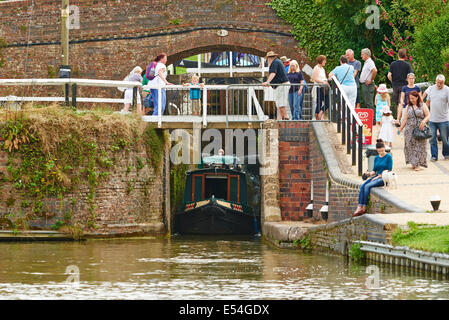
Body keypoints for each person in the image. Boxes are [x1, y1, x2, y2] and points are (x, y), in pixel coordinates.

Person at [353, 139, 392, 217]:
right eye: (379, 151)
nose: (381, 153)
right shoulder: (376, 158)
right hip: (376, 176)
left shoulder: (388, 156)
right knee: (363, 186)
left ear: (384, 148)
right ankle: (359, 206)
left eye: (382, 150)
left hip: (384, 177)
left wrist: (379, 176)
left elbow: (389, 169)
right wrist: (368, 174)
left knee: (368, 186)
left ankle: (364, 207)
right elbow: (374, 171)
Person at [399, 91, 430, 171]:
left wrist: (424, 121)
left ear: (417, 97)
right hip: (409, 129)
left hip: (420, 129)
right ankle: (414, 163)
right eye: (410, 98)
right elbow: (405, 119)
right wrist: (400, 128)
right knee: (410, 146)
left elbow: (428, 115)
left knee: (420, 146)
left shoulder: (422, 105)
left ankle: (418, 164)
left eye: (413, 98)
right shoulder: (408, 107)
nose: (411, 100)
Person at [424, 74, 449, 161]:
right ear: (435, 81)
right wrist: (424, 113)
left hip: (444, 119)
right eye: (438, 82)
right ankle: (434, 156)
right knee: (432, 138)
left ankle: (446, 153)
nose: (439, 84)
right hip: (432, 119)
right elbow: (427, 102)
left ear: (444, 83)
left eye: (441, 83)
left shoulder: (447, 90)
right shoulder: (431, 89)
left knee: (445, 139)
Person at [262, 51, 290, 120]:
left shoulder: (274, 63)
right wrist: (270, 83)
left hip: (282, 85)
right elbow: (276, 75)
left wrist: (267, 82)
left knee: (281, 104)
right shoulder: (277, 62)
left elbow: (273, 73)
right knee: (279, 104)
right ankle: (279, 119)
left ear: (269, 58)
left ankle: (286, 118)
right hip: (281, 85)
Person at [387, 49, 413, 117]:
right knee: (402, 103)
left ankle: (398, 119)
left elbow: (389, 75)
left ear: (398, 55)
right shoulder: (407, 65)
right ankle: (401, 119)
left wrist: (392, 81)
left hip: (395, 85)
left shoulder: (393, 64)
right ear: (405, 56)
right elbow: (411, 75)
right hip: (404, 85)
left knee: (397, 103)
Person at [311, 55, 329, 120]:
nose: (325, 62)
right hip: (318, 87)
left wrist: (327, 82)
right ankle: (318, 116)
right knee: (319, 102)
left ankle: (320, 113)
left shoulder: (322, 69)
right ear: (321, 61)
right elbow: (315, 79)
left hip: (324, 87)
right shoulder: (316, 68)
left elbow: (324, 77)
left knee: (328, 102)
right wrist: (323, 82)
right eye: (324, 60)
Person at [359, 48, 377, 112]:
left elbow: (374, 70)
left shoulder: (369, 62)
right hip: (365, 85)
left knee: (369, 103)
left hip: (368, 85)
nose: (361, 56)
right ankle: (370, 119)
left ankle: (373, 120)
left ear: (366, 55)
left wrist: (371, 80)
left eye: (362, 54)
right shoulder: (367, 62)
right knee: (366, 103)